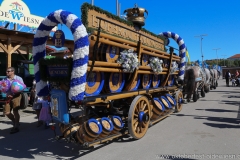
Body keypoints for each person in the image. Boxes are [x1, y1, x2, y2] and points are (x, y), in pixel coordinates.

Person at [4, 67, 25, 134]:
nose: (7, 72)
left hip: (16, 96)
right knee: (7, 112)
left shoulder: (18, 78)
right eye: (7, 71)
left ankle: (16, 126)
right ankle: (15, 121)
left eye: (8, 71)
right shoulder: (5, 79)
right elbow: (3, 88)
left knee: (15, 111)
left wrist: (14, 94)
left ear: (13, 71)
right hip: (8, 97)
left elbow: (22, 88)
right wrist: (6, 94)